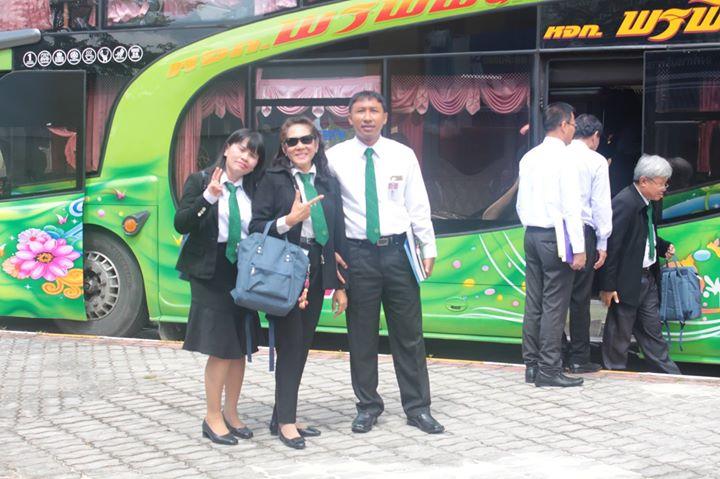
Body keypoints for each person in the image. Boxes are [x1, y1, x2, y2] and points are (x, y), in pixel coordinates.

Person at [326, 91, 443, 435]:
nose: (367, 117)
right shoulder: (334, 158)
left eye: (373, 110)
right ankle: (367, 406)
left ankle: (418, 407)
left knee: (409, 334)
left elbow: (417, 203)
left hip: (398, 253)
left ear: (385, 117)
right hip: (357, 255)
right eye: (360, 111)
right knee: (361, 335)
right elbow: (329, 209)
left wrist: (427, 245)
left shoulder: (402, 155)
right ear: (349, 117)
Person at [249, 117, 349, 449]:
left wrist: (341, 286)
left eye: (306, 139)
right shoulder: (273, 179)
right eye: (292, 141)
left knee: (302, 345)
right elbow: (256, 226)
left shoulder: (327, 181)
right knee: (290, 345)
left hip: (318, 267)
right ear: (284, 148)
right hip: (285, 269)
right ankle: (286, 422)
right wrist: (289, 221)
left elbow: (337, 233)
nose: (300, 146)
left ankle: (282, 414)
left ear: (316, 143)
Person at [174, 129, 265, 445]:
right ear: (227, 149)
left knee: (240, 347)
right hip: (210, 272)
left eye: (253, 154)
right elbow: (182, 222)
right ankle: (212, 417)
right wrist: (208, 198)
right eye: (242, 149)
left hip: (242, 273)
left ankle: (232, 412)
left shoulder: (254, 189)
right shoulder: (201, 181)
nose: (246, 157)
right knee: (222, 347)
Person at [516, 102, 586, 388]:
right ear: (564, 124)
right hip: (555, 236)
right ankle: (549, 369)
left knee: (534, 303)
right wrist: (579, 248)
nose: (574, 130)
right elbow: (571, 207)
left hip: (531, 234)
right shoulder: (566, 159)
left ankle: (531, 366)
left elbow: (520, 203)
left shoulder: (529, 157)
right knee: (554, 305)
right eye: (573, 125)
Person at [598, 155, 682, 374]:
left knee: (652, 331)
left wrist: (662, 246)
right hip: (628, 280)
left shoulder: (646, 202)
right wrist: (608, 286)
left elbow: (644, 236)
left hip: (647, 278)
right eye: (662, 183)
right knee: (620, 334)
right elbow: (612, 247)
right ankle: (614, 375)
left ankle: (669, 375)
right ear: (644, 181)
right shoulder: (625, 203)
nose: (664, 189)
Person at [561, 114, 613, 373]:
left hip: (556, 231)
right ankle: (579, 358)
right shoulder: (596, 161)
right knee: (580, 298)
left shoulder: (559, 155)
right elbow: (601, 205)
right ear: (595, 136)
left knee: (555, 296)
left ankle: (555, 354)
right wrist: (603, 241)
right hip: (583, 231)